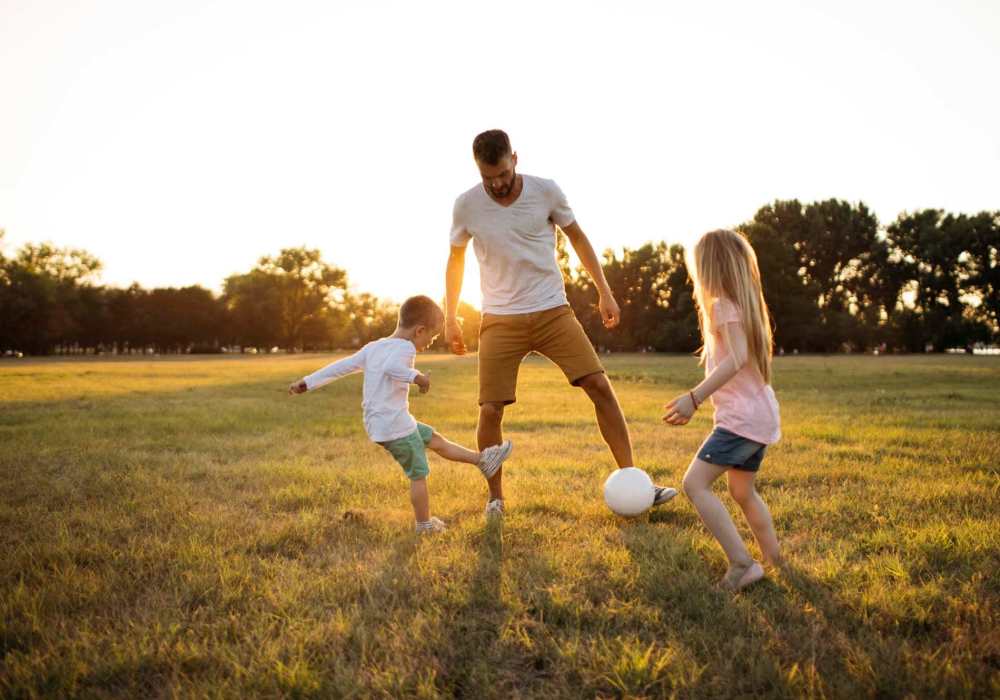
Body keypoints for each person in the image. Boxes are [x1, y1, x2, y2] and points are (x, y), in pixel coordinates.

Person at [445, 129, 677, 518]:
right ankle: (495, 498)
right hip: (500, 318)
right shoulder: (466, 205)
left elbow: (578, 239)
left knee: (599, 385)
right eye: (489, 178)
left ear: (515, 158)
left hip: (553, 309)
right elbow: (455, 260)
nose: (498, 184)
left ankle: (635, 480)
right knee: (490, 410)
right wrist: (449, 315)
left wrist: (604, 290)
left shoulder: (546, 191)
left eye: (502, 173)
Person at [289, 295, 513, 534]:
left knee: (433, 439)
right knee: (418, 474)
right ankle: (424, 525)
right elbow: (392, 369)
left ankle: (483, 461)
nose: (431, 342)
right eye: (432, 336)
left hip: (385, 423)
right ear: (419, 330)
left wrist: (307, 382)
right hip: (395, 426)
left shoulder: (374, 347)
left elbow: (341, 366)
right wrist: (418, 377)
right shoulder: (405, 348)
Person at [662, 229, 782, 591]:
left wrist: (694, 398)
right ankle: (776, 559)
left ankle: (743, 564)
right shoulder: (742, 306)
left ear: (708, 269)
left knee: (694, 484)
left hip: (742, 421)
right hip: (758, 416)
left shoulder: (722, 306)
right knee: (743, 492)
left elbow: (736, 360)